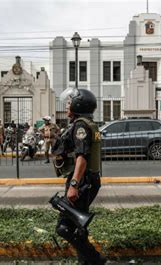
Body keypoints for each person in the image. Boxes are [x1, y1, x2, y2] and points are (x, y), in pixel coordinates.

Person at [52, 88, 106, 264]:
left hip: (83, 181)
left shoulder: (81, 126)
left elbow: (82, 157)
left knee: (65, 228)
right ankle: (88, 260)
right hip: (88, 179)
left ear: (78, 104)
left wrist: (74, 184)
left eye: (70, 102)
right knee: (74, 226)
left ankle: (95, 260)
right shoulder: (86, 123)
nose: (68, 105)